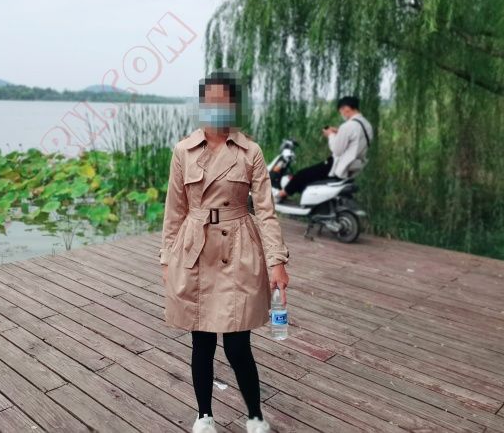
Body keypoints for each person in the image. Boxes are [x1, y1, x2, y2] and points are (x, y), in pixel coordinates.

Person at [159, 69, 290, 433]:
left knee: (237, 343)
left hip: (239, 248)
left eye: (224, 101)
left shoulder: (251, 152)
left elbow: (265, 211)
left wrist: (277, 261)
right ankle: (204, 415)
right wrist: (167, 258)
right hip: (195, 249)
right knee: (200, 340)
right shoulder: (183, 151)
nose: (217, 107)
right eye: (210, 101)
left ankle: (255, 416)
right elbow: (174, 210)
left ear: (234, 106)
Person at [275, 95, 373, 202]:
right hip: (352, 166)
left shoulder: (348, 126)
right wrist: (338, 131)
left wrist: (330, 135)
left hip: (337, 165)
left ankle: (280, 195)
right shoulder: (366, 125)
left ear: (346, 108)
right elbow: (355, 138)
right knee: (307, 176)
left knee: (302, 174)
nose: (342, 115)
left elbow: (337, 150)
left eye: (341, 112)